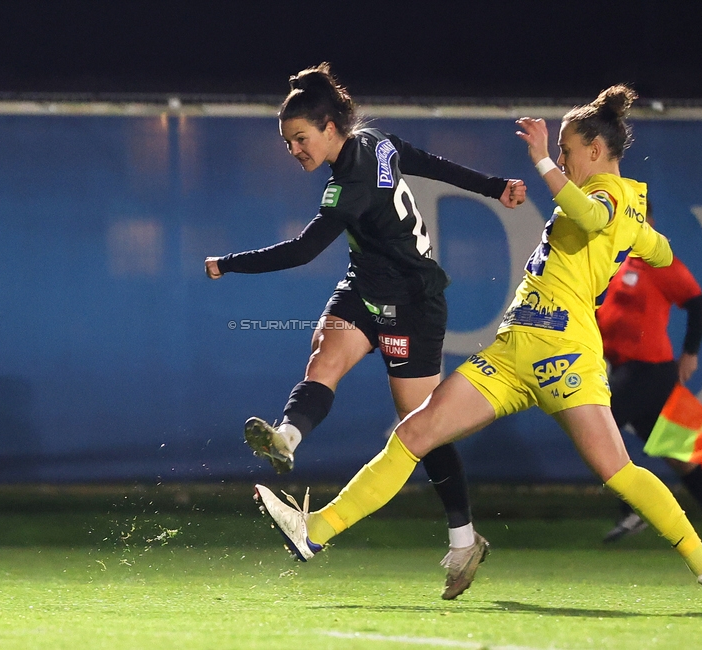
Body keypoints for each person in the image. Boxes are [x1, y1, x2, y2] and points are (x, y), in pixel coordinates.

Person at [253, 84, 702, 613]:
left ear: (594, 151)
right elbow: (660, 249)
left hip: (564, 353)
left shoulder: (607, 194)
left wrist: (542, 162)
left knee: (618, 472)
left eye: (566, 149)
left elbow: (590, 216)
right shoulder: (624, 206)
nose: (561, 156)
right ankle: (314, 532)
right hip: (513, 348)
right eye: (557, 149)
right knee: (414, 432)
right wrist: (635, 238)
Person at [205, 62, 527, 599]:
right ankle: (287, 437)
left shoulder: (349, 183)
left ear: (330, 127)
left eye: (300, 139)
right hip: (366, 286)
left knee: (422, 427)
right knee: (323, 358)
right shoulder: (376, 141)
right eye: (288, 142)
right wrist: (493, 186)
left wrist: (228, 263)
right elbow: (424, 160)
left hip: (412, 301)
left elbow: (304, 250)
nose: (295, 151)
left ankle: (465, 538)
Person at [597, 201, 702, 553]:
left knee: (603, 421)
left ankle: (630, 510)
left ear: (647, 220)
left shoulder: (658, 260)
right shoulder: (619, 260)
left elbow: (697, 304)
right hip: (628, 368)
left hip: (649, 369)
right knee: (677, 453)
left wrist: (690, 353)